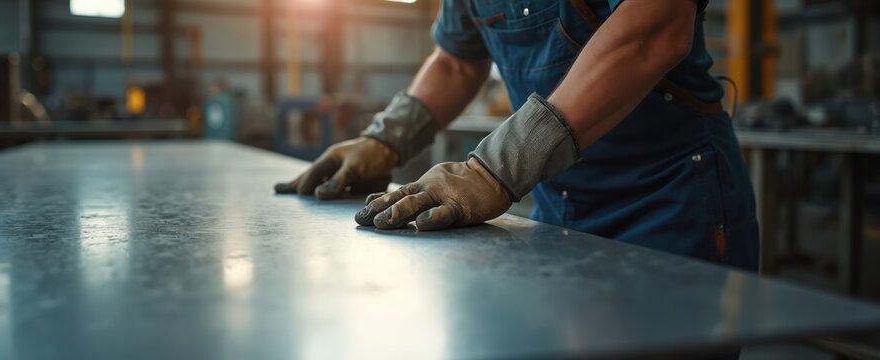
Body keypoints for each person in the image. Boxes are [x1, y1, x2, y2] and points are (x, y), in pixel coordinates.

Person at [275, 0, 759, 272]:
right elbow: (456, 60)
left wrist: (494, 170)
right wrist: (385, 139)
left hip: (668, 196)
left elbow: (655, 29)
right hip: (560, 200)